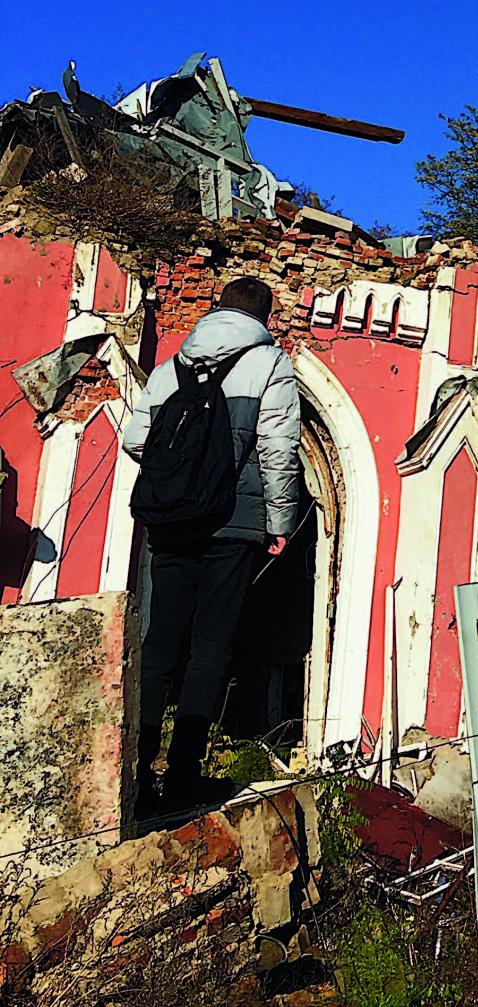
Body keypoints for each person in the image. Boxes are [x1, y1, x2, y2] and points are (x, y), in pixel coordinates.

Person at [123, 275, 301, 814]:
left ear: (216, 310)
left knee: (158, 645)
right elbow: (277, 446)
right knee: (209, 649)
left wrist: (181, 479)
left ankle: (134, 771)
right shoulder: (271, 365)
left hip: (172, 524)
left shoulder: (170, 367)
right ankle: (182, 777)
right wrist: (280, 522)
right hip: (234, 522)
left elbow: (136, 440)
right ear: (264, 317)